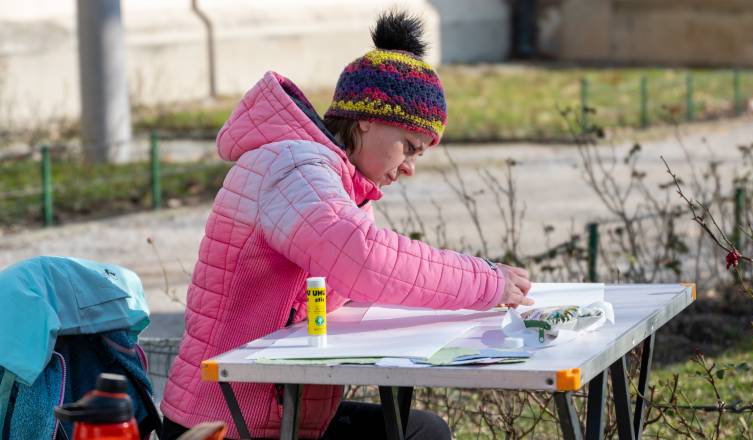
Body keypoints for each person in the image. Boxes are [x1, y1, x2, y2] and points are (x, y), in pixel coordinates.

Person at [160, 10, 533, 440]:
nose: (410, 168)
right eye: (409, 147)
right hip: (223, 424)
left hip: (279, 410)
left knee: (421, 430)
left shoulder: (340, 181)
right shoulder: (293, 168)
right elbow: (366, 260)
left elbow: (362, 279)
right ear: (366, 119)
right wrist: (486, 282)